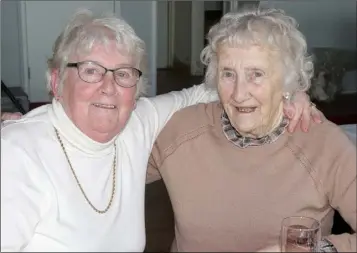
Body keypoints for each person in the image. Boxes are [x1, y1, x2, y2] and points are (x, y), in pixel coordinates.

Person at [1, 8, 319, 252]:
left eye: (124, 74)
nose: (108, 88)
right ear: (56, 81)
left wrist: (286, 87)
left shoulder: (136, 123)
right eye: (90, 71)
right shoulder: (18, 154)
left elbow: (209, 90)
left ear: (136, 88)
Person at [147, 8, 356, 252]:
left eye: (256, 74)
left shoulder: (324, 145)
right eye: (228, 74)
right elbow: (114, 172)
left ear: (288, 80)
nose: (238, 94)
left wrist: (318, 250)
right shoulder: (181, 131)